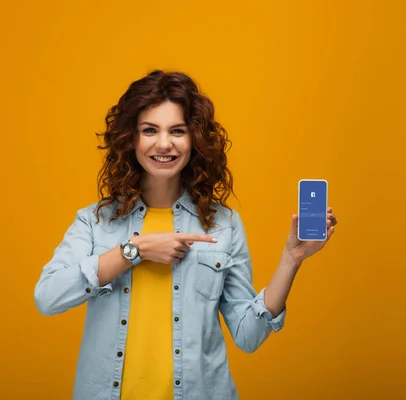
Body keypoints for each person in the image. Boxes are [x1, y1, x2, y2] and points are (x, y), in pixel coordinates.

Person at [33, 70, 337, 400]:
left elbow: (249, 335)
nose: (164, 144)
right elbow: (48, 297)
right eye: (150, 130)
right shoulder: (96, 221)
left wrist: (291, 260)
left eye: (177, 131)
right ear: (130, 139)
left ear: (194, 139)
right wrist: (133, 250)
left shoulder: (223, 224)